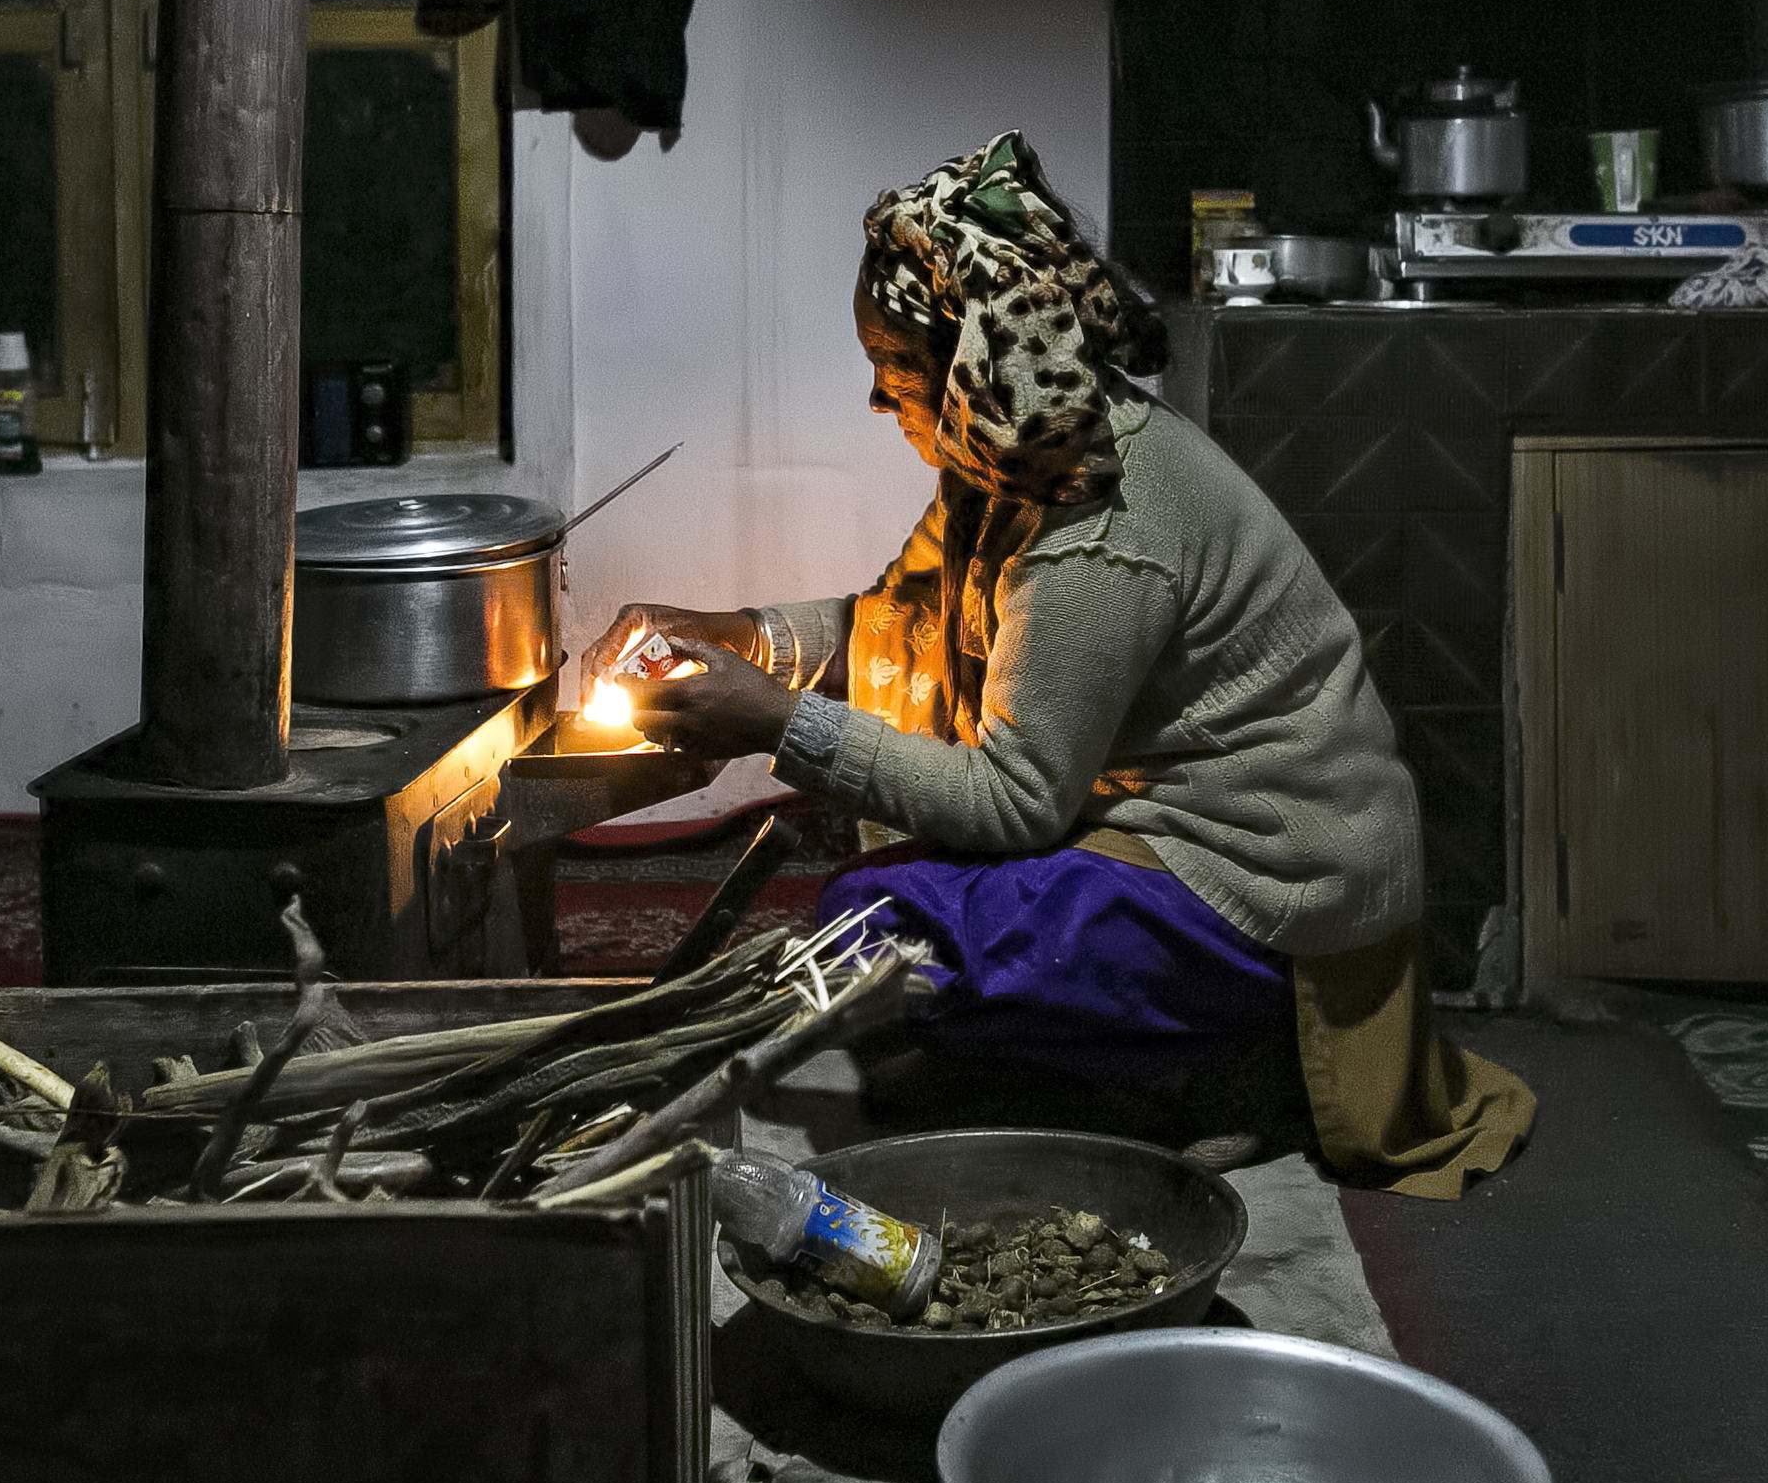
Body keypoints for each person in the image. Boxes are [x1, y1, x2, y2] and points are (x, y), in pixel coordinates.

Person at [589, 132, 1532, 1198]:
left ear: (969, 360)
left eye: (893, 367)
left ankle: (1235, 1058)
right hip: (1180, 836)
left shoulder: (1092, 525)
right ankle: (1132, 1057)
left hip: (1264, 884)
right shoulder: (1020, 452)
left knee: (882, 927)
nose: (877, 397)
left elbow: (1016, 801)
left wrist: (778, 724)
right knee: (893, 905)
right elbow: (904, 621)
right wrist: (745, 630)